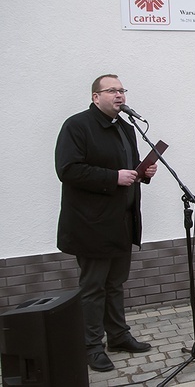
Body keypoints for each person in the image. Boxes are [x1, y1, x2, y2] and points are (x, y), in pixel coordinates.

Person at [55, 74, 157, 372]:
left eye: (122, 90)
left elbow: (132, 171)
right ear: (95, 96)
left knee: (115, 284)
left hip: (122, 222)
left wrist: (145, 172)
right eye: (112, 90)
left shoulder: (127, 128)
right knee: (94, 287)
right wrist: (113, 177)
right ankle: (91, 346)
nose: (119, 95)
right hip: (91, 224)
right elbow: (68, 169)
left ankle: (119, 336)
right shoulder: (77, 126)